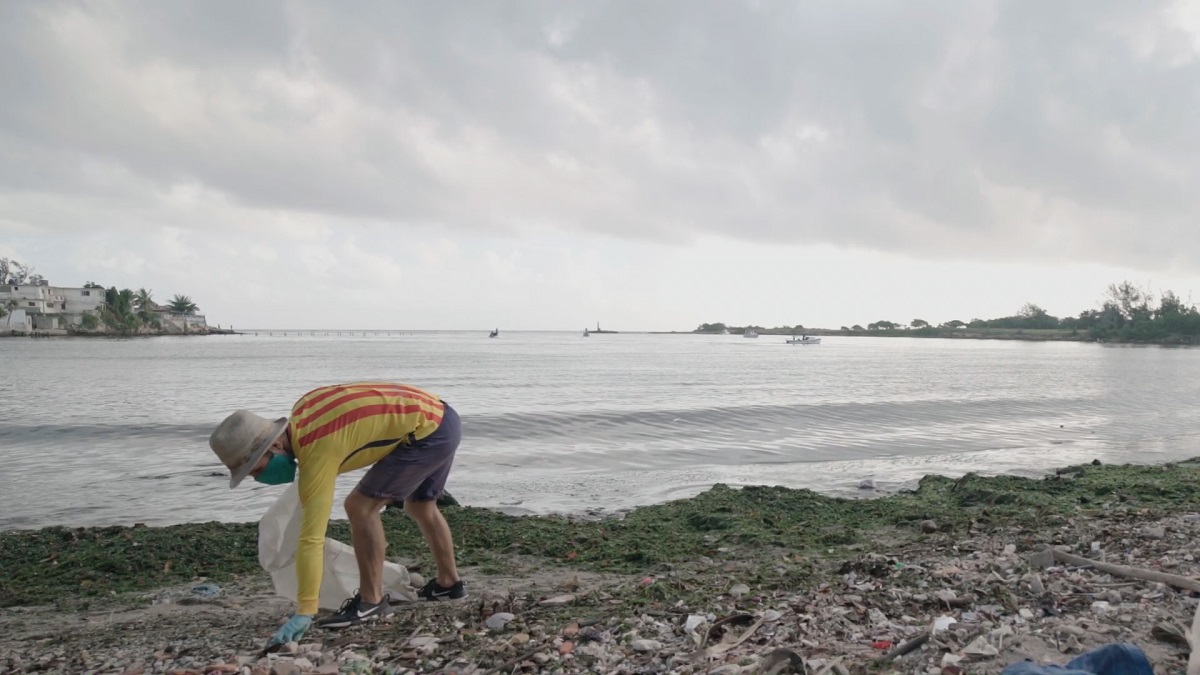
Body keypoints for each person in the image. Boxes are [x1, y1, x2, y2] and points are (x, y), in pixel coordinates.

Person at [208, 382, 467, 647]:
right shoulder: (304, 409)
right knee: (421, 506)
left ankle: (371, 601)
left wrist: (305, 610)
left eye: (254, 469)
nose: (257, 477)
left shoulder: (316, 450)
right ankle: (449, 584)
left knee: (359, 507)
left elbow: (311, 540)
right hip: (441, 417)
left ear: (274, 445)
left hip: (426, 434)